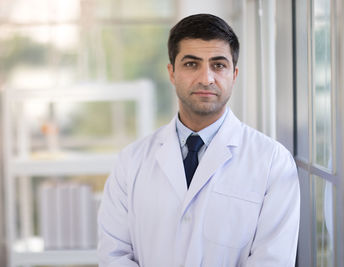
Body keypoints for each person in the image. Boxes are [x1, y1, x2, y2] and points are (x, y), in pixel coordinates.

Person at [98, 13, 300, 266]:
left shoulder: (273, 162)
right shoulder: (131, 161)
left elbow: (273, 260)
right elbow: (114, 255)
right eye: (191, 64)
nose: (206, 78)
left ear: (234, 74)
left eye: (218, 65)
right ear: (172, 73)